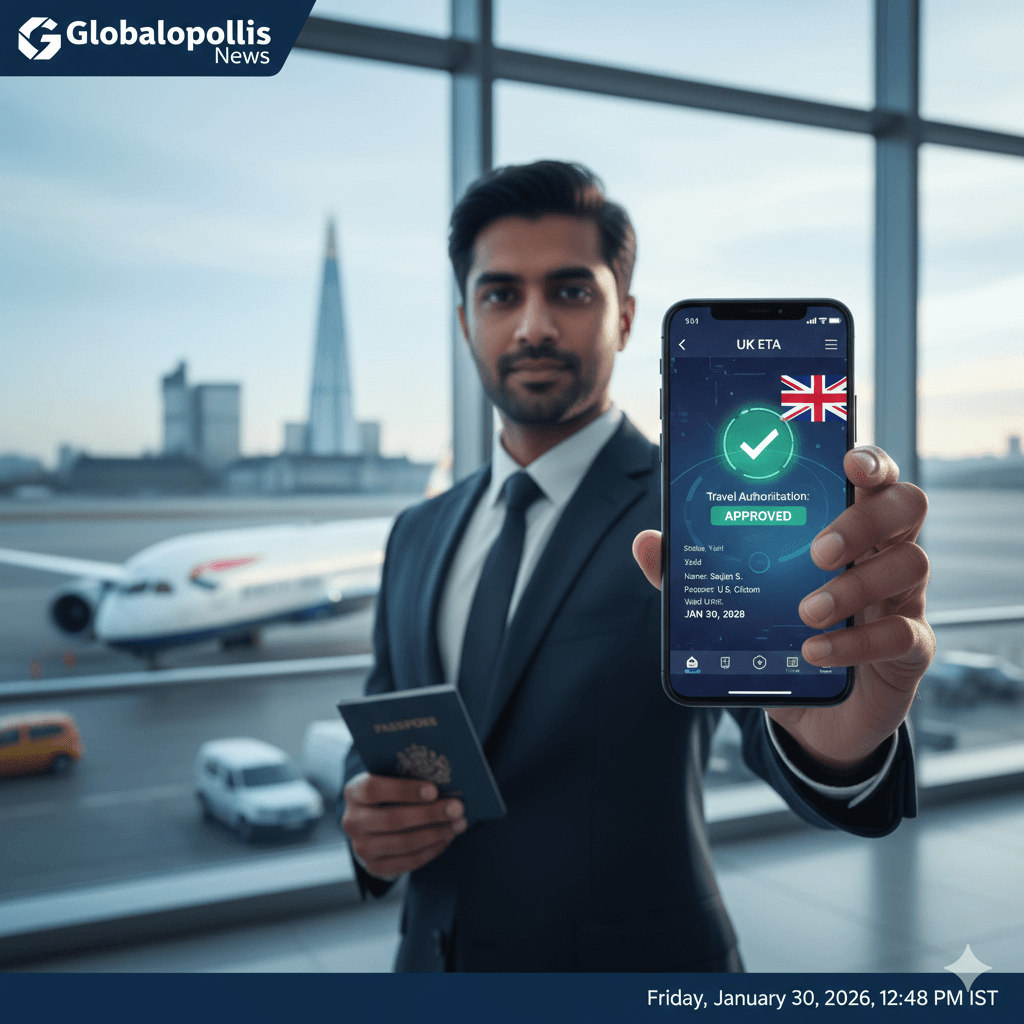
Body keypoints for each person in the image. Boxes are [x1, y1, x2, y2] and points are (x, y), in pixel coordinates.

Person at [342, 161, 934, 972]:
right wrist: (369, 821)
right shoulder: (417, 531)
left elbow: (778, 730)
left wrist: (845, 749)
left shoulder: (694, 509)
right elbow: (386, 714)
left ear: (624, 318)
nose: (533, 327)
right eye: (500, 294)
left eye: (571, 292)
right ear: (465, 318)